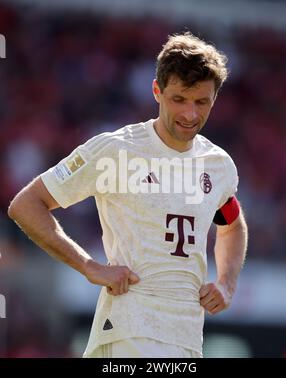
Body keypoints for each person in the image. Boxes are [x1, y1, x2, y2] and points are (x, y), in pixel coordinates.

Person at [8, 32, 248, 358]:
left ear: (215, 99)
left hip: (186, 338)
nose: (191, 114)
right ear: (156, 91)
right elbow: (26, 204)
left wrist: (226, 283)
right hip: (129, 331)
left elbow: (232, 224)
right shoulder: (117, 151)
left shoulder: (218, 166)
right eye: (179, 99)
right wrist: (89, 266)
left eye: (201, 102)